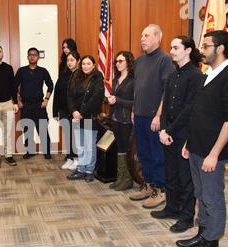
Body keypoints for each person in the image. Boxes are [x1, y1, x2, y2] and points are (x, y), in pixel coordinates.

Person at [178, 30, 228, 247]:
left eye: (206, 46)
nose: (202, 50)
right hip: (197, 147)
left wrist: (215, 153)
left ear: (219, 49)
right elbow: (200, 113)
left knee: (213, 198)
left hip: (212, 154)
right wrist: (189, 141)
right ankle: (203, 234)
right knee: (201, 195)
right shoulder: (208, 73)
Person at [150, 36, 203, 233]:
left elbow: (189, 109)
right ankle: (171, 208)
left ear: (188, 50)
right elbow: (165, 105)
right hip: (168, 133)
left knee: (185, 177)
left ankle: (186, 216)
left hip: (183, 135)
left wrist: (169, 130)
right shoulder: (173, 74)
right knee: (170, 173)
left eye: (176, 47)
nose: (171, 51)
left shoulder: (196, 76)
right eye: (171, 47)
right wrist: (163, 129)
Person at [130, 24, 175, 209]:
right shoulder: (140, 61)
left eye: (146, 35)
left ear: (158, 38)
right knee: (143, 153)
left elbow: (167, 91)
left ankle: (160, 190)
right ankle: (148, 185)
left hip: (154, 118)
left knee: (157, 155)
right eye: (141, 35)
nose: (142, 39)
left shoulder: (165, 60)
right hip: (139, 115)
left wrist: (158, 115)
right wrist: (133, 110)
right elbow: (137, 89)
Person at [67, 55, 105, 183]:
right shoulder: (76, 76)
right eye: (83, 64)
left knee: (89, 146)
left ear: (94, 65)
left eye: (88, 63)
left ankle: (89, 170)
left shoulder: (97, 78)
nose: (85, 66)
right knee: (80, 145)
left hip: (88, 117)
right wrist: (73, 111)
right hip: (77, 117)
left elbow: (96, 98)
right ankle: (81, 169)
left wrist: (81, 112)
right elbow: (69, 96)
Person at [14, 47, 54, 159]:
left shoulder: (43, 71)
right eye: (30, 55)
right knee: (27, 129)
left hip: (39, 105)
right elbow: (14, 86)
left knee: (42, 128)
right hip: (25, 105)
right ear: (27, 57)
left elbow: (51, 85)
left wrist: (46, 100)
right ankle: (30, 151)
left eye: (35, 55)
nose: (32, 56)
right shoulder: (21, 71)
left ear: (38, 57)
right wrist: (18, 100)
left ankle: (47, 151)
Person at [107, 51, 135, 191]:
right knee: (120, 148)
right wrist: (111, 100)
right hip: (115, 118)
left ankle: (128, 180)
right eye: (116, 61)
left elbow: (134, 102)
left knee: (126, 148)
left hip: (127, 119)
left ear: (128, 62)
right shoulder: (115, 79)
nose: (117, 64)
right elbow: (114, 97)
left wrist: (117, 100)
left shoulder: (133, 80)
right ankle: (120, 178)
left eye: (121, 61)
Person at [53, 51, 81, 171]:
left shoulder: (82, 75)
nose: (69, 63)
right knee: (68, 135)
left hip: (76, 112)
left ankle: (77, 159)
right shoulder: (63, 75)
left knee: (76, 136)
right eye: (68, 60)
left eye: (72, 60)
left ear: (78, 61)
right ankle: (70, 158)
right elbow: (57, 93)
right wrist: (55, 111)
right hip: (64, 110)